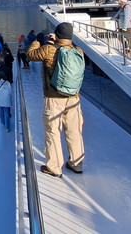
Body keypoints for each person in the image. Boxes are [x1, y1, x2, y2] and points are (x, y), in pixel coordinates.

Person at [28, 22, 85, 177]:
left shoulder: (49, 49)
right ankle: (76, 163)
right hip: (74, 98)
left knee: (53, 131)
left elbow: (31, 55)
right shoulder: (77, 50)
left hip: (53, 98)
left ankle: (54, 167)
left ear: (57, 34)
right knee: (74, 130)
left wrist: (38, 41)